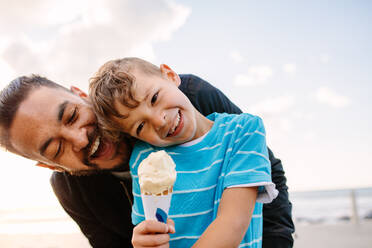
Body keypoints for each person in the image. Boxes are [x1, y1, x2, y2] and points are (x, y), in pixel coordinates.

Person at [0, 73, 294, 247]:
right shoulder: (73, 192)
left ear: (82, 95)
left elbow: (268, 172)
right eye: (56, 149)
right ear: (52, 166)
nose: (80, 139)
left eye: (73, 116)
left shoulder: (180, 102)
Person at [88, 57, 278, 247]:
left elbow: (232, 223)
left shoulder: (243, 131)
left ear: (170, 76)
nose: (159, 121)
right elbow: (152, 230)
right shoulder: (144, 160)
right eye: (140, 126)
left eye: (154, 98)